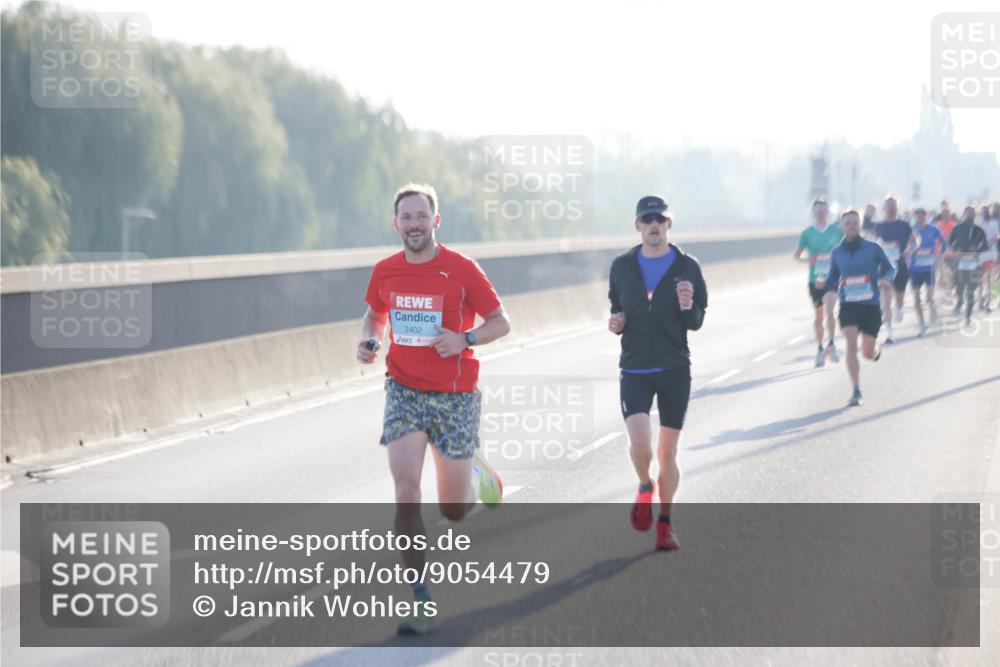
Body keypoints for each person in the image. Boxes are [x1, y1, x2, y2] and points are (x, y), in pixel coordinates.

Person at [358, 183, 511, 635]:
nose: (414, 224)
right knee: (406, 489)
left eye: (421, 216)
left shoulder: (461, 269)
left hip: (455, 395)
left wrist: (464, 339)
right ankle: (421, 597)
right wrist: (370, 340)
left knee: (453, 511)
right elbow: (375, 315)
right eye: (406, 217)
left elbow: (502, 322)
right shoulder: (385, 271)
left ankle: (476, 468)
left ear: (435, 221)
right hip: (403, 390)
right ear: (396, 224)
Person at [608, 196, 707, 551]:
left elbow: (696, 321)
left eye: (660, 219)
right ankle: (645, 487)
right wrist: (616, 323)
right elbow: (617, 309)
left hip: (674, 369)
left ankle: (665, 523)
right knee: (640, 444)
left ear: (669, 224)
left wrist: (686, 306)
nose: (653, 225)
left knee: (668, 453)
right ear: (638, 225)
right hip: (634, 367)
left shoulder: (687, 266)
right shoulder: (621, 266)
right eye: (647, 219)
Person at [821, 209, 895, 407]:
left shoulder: (873, 248)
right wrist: (826, 286)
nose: (851, 226)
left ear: (860, 225)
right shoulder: (837, 252)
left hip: (870, 305)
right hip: (848, 305)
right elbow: (833, 276)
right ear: (842, 227)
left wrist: (886, 279)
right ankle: (856, 390)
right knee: (851, 346)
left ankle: (875, 350)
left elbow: (890, 268)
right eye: (848, 223)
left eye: (855, 222)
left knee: (867, 353)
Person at [793, 198, 843, 366]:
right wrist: (810, 259)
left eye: (823, 208)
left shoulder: (836, 231)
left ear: (828, 212)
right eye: (817, 209)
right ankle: (820, 348)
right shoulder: (807, 233)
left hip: (832, 278)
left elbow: (845, 250)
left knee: (830, 309)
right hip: (815, 279)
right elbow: (797, 256)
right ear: (813, 212)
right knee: (819, 314)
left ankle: (832, 344)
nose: (821, 211)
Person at [874, 196, 914, 343]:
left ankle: (899, 307)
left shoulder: (904, 225)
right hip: (885, 266)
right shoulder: (879, 226)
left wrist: (909, 250)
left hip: (901, 263)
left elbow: (914, 241)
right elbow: (874, 242)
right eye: (888, 205)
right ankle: (889, 332)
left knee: (899, 295)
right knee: (885, 294)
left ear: (897, 208)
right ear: (884, 208)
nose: (891, 207)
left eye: (893, 205)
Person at [948, 205, 989, 326]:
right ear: (964, 214)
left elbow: (985, 246)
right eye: (968, 213)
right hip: (960, 263)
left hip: (974, 264)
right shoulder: (957, 228)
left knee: (971, 290)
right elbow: (950, 242)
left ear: (975, 215)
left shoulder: (979, 230)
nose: (970, 215)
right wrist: (956, 249)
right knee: (959, 288)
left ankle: (968, 317)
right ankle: (960, 301)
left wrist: (977, 250)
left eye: (972, 213)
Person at [908, 207, 943, 336]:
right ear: (915, 217)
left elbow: (943, 242)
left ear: (926, 216)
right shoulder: (911, 230)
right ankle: (922, 324)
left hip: (929, 268)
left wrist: (938, 256)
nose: (920, 217)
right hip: (915, 268)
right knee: (916, 297)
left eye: (923, 215)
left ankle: (933, 306)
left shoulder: (933, 229)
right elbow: (906, 244)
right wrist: (910, 248)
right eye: (918, 215)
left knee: (929, 297)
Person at [976, 203, 999, 312]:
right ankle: (981, 299)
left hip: (991, 254)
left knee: (989, 279)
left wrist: (989, 242)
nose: (985, 212)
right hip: (980, 255)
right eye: (983, 210)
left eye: (986, 210)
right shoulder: (978, 223)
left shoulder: (994, 224)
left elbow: (996, 236)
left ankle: (988, 304)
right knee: (980, 280)